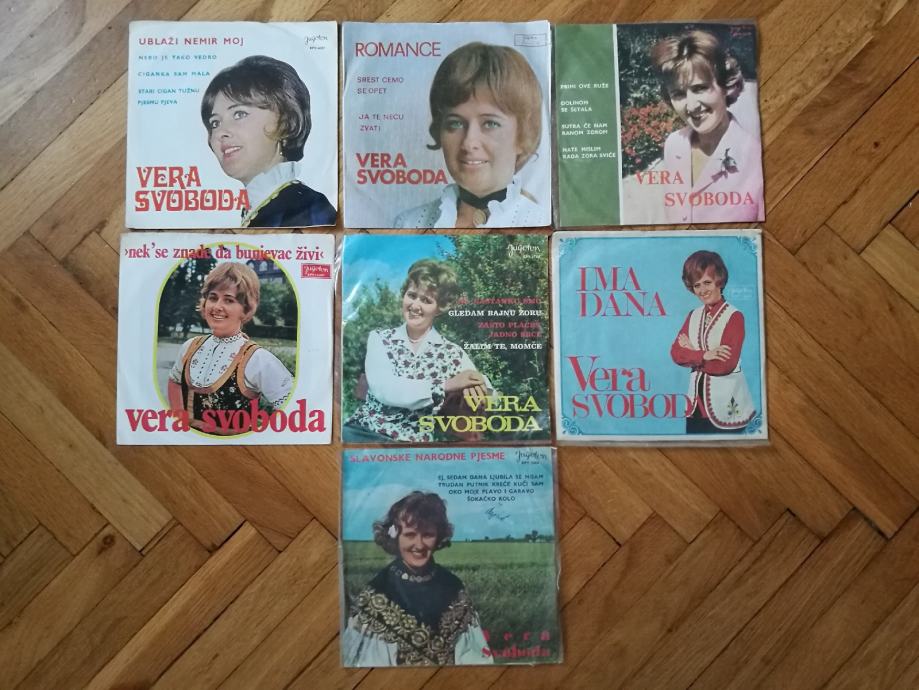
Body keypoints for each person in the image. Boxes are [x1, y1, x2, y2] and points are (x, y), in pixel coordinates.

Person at [394, 42, 546, 228]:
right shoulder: (408, 224)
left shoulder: (540, 222)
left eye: (490, 123)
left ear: (523, 135)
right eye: (455, 123)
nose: (468, 142)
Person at [343, 259, 492, 442]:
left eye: (426, 300)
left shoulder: (453, 353)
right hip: (364, 433)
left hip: (413, 446)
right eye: (412, 295)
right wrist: (447, 385)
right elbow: (385, 390)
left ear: (440, 308)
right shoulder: (380, 339)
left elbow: (491, 395)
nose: (415, 306)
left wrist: (476, 380)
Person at [343, 491, 492, 666]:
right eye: (410, 534)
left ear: (439, 537)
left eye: (427, 534)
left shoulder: (454, 587)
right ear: (395, 537)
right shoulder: (377, 593)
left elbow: (474, 660)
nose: (419, 545)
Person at [201, 55, 335, 227]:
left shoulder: (309, 209)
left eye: (239, 114)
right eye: (215, 123)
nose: (220, 132)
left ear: (286, 123)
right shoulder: (258, 206)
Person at [650, 30, 763, 223]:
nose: (691, 106)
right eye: (679, 94)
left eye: (700, 88)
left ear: (726, 86)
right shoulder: (674, 144)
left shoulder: (754, 157)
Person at [167, 262, 293, 434]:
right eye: (213, 297)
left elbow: (293, 407)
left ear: (246, 309)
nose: (217, 306)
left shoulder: (258, 359)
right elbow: (174, 381)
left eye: (228, 300)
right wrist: (179, 421)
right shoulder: (189, 346)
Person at [670, 250, 755, 433]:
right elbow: (675, 353)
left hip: (726, 404)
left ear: (719, 281)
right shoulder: (693, 316)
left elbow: (724, 365)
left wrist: (691, 353)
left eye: (707, 282)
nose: (702, 290)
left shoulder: (734, 316)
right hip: (695, 406)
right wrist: (705, 355)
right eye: (697, 285)